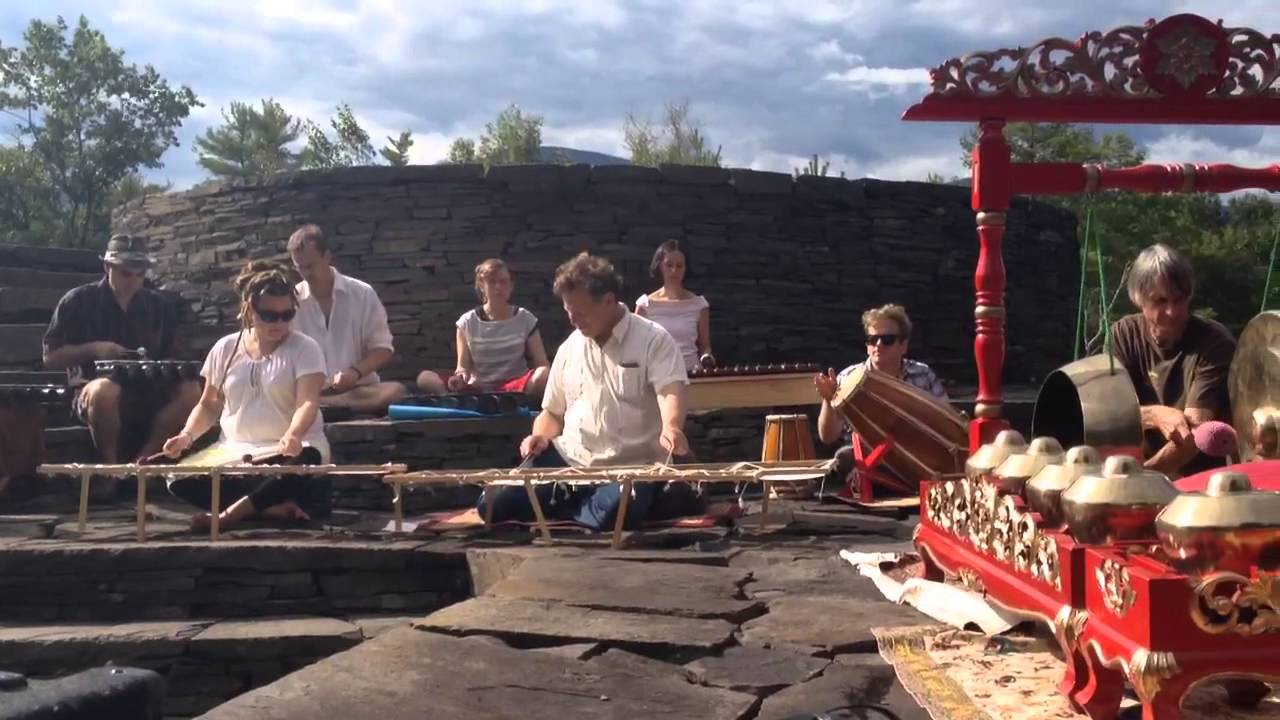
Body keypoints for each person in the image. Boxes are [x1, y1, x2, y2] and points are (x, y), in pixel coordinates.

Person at [478, 252, 690, 531]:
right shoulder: (570, 347)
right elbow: (552, 411)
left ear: (609, 301)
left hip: (630, 465)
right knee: (491, 503)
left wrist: (672, 427)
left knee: (617, 511)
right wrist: (539, 436)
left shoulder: (653, 339)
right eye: (569, 313)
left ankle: (562, 505)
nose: (574, 321)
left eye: (581, 313)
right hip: (569, 458)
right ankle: (575, 503)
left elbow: (670, 390)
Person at [161, 261, 330, 530]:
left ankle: (229, 516)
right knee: (176, 477)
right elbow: (209, 404)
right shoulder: (225, 347)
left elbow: (308, 401)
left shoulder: (305, 348)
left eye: (287, 315)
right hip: (234, 452)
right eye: (270, 315)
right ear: (249, 310)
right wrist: (186, 436)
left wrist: (294, 433)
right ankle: (270, 510)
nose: (279, 322)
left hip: (287, 450)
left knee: (302, 462)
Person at [42, 234, 201, 496]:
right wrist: (96, 349)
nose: (134, 280)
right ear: (108, 268)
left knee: (192, 391)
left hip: (149, 391)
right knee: (105, 390)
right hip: (91, 392)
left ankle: (140, 465)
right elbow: (51, 357)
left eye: (140, 274)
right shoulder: (78, 301)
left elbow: (176, 354)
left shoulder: (158, 306)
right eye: (126, 273)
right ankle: (111, 471)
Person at [1109, 244, 1236, 477]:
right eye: (1159, 301)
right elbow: (1109, 412)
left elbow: (1194, 434)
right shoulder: (1124, 334)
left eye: (1179, 300)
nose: (1172, 311)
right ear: (1138, 299)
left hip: (1204, 482)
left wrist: (1142, 479)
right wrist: (1154, 415)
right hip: (1136, 468)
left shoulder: (1215, 342)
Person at [813, 304, 948, 489]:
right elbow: (827, 437)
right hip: (867, 456)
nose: (878, 345)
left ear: (904, 345)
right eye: (872, 339)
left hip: (916, 455)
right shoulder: (847, 379)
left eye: (887, 339)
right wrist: (829, 400)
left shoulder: (923, 374)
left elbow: (946, 422)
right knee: (845, 456)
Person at [287, 224, 407, 415]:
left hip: (358, 390)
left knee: (395, 391)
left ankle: (323, 406)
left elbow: (383, 349)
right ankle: (327, 405)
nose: (306, 274)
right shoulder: (291, 301)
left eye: (310, 266)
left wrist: (355, 372)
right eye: (300, 268)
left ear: (326, 256)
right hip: (311, 391)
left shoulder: (362, 294)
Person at [416, 259, 550, 398]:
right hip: (478, 388)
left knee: (543, 375)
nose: (498, 287)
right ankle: (452, 399)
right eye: (492, 282)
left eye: (503, 281)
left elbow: (542, 363)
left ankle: (510, 401)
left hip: (516, 386)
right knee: (424, 378)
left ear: (511, 286)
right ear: (482, 286)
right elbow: (463, 367)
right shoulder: (467, 322)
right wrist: (459, 379)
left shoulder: (525, 318)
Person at [634, 239, 714, 372]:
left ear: (685, 268)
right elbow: (637, 347)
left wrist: (707, 356)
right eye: (669, 265)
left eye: (679, 266)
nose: (673, 271)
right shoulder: (645, 305)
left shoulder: (699, 305)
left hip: (692, 374)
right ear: (660, 266)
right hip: (657, 377)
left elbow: (705, 346)